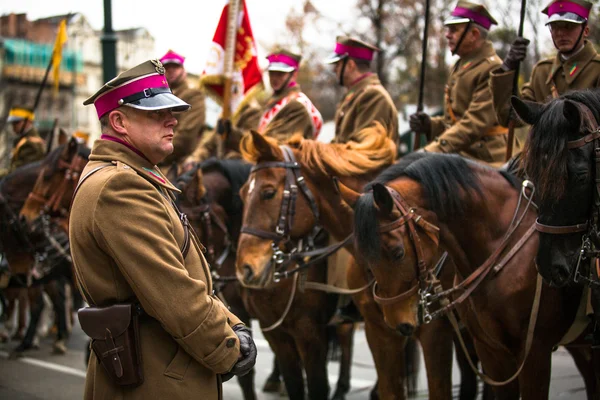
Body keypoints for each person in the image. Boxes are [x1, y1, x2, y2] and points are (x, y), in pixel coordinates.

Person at [69, 59, 256, 399]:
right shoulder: (120, 187)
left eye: (171, 111)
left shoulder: (136, 177)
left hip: (161, 365)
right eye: (156, 113)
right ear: (119, 121)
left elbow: (190, 277)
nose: (172, 120)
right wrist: (228, 346)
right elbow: (175, 293)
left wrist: (233, 323)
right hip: (157, 378)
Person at [409, 1, 507, 167]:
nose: (447, 35)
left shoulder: (492, 68)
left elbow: (474, 124)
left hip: (484, 158)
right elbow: (455, 121)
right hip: (460, 153)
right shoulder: (461, 65)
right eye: (448, 30)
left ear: (474, 34)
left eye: (453, 30)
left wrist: (431, 151)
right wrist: (431, 125)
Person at [195, 48, 323, 161]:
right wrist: (230, 133)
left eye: (280, 74)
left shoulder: (297, 105)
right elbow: (262, 140)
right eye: (272, 73)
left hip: (284, 172)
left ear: (294, 74)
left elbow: (271, 147)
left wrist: (233, 137)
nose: (274, 78)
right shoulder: (275, 102)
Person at [490, 0, 600, 127]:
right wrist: (507, 67)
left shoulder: (597, 68)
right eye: (555, 27)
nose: (560, 33)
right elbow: (510, 118)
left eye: (568, 26)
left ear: (585, 31)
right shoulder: (542, 71)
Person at [325, 36, 398, 143]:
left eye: (337, 64)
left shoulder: (373, 96)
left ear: (350, 65)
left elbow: (362, 150)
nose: (334, 69)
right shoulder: (357, 94)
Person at [157, 50, 206, 178]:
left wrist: (155, 155)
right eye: (167, 67)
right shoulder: (158, 97)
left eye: (176, 67)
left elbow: (186, 136)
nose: (171, 70)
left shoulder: (193, 95)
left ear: (183, 70)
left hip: (179, 163)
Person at [0, 106, 46, 178]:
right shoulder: (23, 140)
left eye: (17, 122)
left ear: (28, 121)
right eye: (13, 123)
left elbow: (18, 172)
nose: (14, 126)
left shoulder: (32, 144)